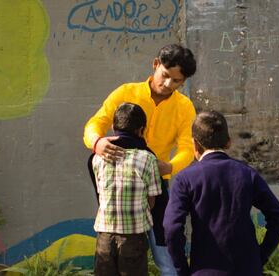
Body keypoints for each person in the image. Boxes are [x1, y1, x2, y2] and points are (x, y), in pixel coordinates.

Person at [84, 44, 197, 275]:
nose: (167, 85)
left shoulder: (184, 107)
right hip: (119, 187)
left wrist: (170, 166)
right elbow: (94, 124)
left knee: (166, 250)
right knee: (114, 254)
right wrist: (98, 143)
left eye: (176, 81)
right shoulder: (126, 92)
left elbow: (187, 147)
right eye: (165, 76)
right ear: (155, 65)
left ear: (183, 82)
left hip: (158, 184)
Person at [163, 111, 279, 276]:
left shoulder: (185, 179)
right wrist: (259, 257)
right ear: (228, 142)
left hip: (204, 270)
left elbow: (171, 229)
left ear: (195, 144)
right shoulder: (247, 174)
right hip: (247, 269)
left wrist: (182, 269)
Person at [92, 103, 162, 276]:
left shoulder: (98, 159)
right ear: (141, 130)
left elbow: (101, 193)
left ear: (113, 127)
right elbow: (152, 199)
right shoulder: (147, 159)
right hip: (134, 236)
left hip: (105, 236)